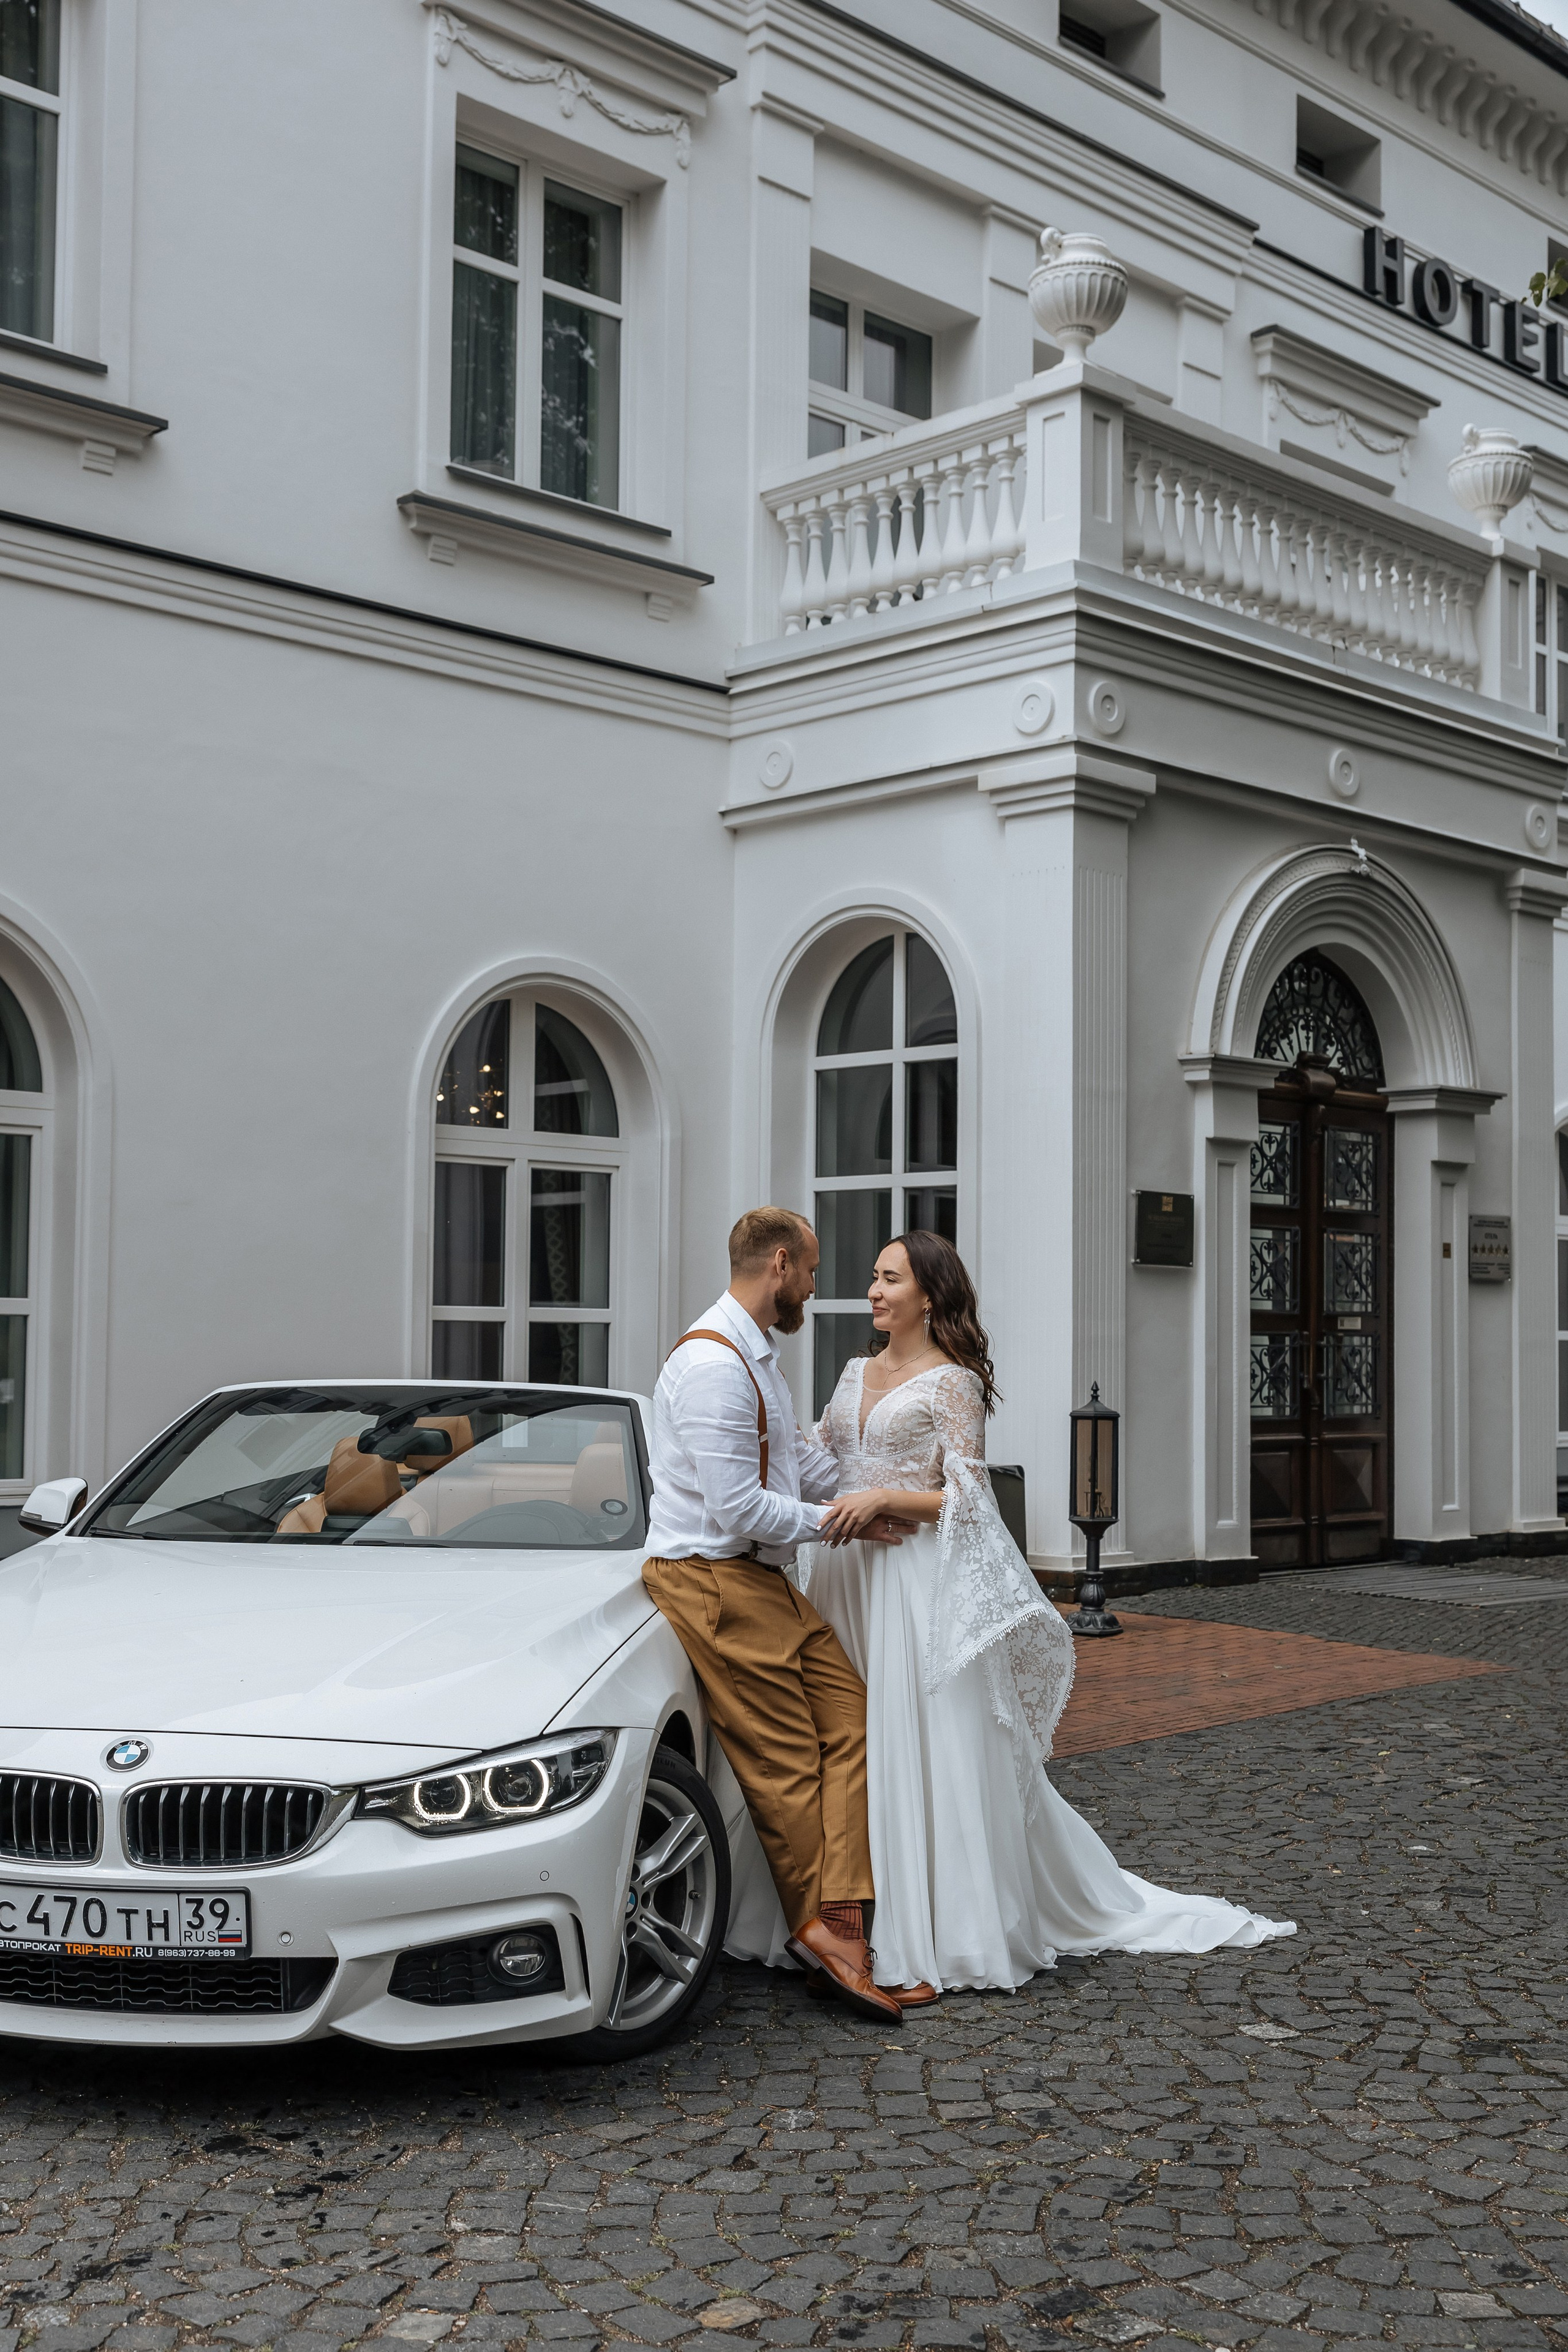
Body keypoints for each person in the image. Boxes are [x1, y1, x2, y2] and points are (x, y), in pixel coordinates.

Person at [725, 1227, 1295, 1997]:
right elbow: (820, 1456)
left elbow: (968, 1495)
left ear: (928, 1294)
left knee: (911, 1744)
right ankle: (826, 1915)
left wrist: (888, 1498)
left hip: (909, 1582)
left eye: (890, 1279)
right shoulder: (854, 1369)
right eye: (872, 1277)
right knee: (839, 1742)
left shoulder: (952, 1381)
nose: (873, 1291)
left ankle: (921, 1924)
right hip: (841, 1578)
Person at [641, 1206, 930, 2026]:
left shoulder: (756, 1356)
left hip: (759, 1581)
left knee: (848, 1718)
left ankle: (841, 1922)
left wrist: (873, 1482)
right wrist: (845, 1521)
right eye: (807, 1270)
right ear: (777, 1265)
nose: (814, 1285)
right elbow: (738, 1509)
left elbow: (798, 1461)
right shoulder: (712, 1367)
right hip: (713, 1581)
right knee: (789, 1761)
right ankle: (832, 1942)